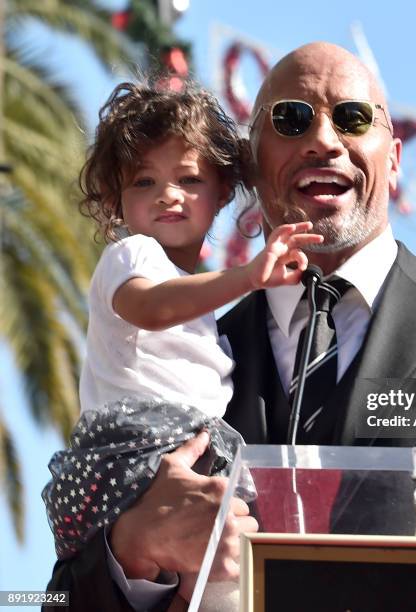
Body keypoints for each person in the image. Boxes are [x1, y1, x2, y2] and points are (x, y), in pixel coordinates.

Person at [47, 43, 416, 611]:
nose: (323, 140)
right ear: (249, 163)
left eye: (353, 117)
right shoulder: (173, 361)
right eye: (292, 118)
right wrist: (136, 551)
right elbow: (59, 600)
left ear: (394, 156)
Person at [44, 80, 322, 608]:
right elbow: (151, 307)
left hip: (187, 454)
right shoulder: (134, 256)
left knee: (218, 568)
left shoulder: (210, 312)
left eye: (188, 179)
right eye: (144, 182)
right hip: (137, 450)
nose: (167, 194)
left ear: (222, 193)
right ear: (116, 202)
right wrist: (248, 276)